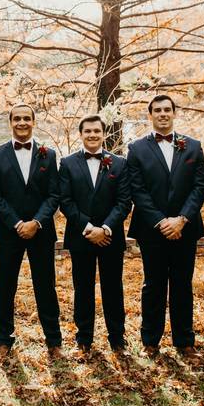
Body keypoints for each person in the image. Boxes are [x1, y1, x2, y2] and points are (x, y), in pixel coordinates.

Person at [127, 94, 204, 357]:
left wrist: (181, 219)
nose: (162, 114)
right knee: (153, 284)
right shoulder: (136, 149)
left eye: (167, 110)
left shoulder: (192, 147)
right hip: (152, 229)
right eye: (157, 110)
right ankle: (150, 340)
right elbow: (137, 190)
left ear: (174, 113)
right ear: (150, 115)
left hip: (185, 227)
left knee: (183, 283)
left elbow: (199, 187)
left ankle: (184, 341)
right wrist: (162, 221)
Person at [0, 102, 62, 357]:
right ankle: (3, 339)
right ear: (10, 122)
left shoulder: (48, 154)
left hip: (41, 231)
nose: (22, 122)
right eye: (17, 118)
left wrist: (36, 222)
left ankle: (53, 340)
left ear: (33, 121)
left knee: (46, 286)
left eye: (26, 118)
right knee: (6, 285)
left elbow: (54, 195)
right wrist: (17, 223)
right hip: (10, 231)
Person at [58, 114, 132, 355]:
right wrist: (89, 228)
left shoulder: (119, 163)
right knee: (83, 287)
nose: (92, 135)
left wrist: (106, 228)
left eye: (96, 131)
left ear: (104, 134)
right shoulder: (68, 163)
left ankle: (117, 337)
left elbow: (124, 202)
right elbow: (66, 201)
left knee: (113, 287)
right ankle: (84, 337)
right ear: (81, 134)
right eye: (87, 131)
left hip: (111, 236)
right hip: (82, 236)